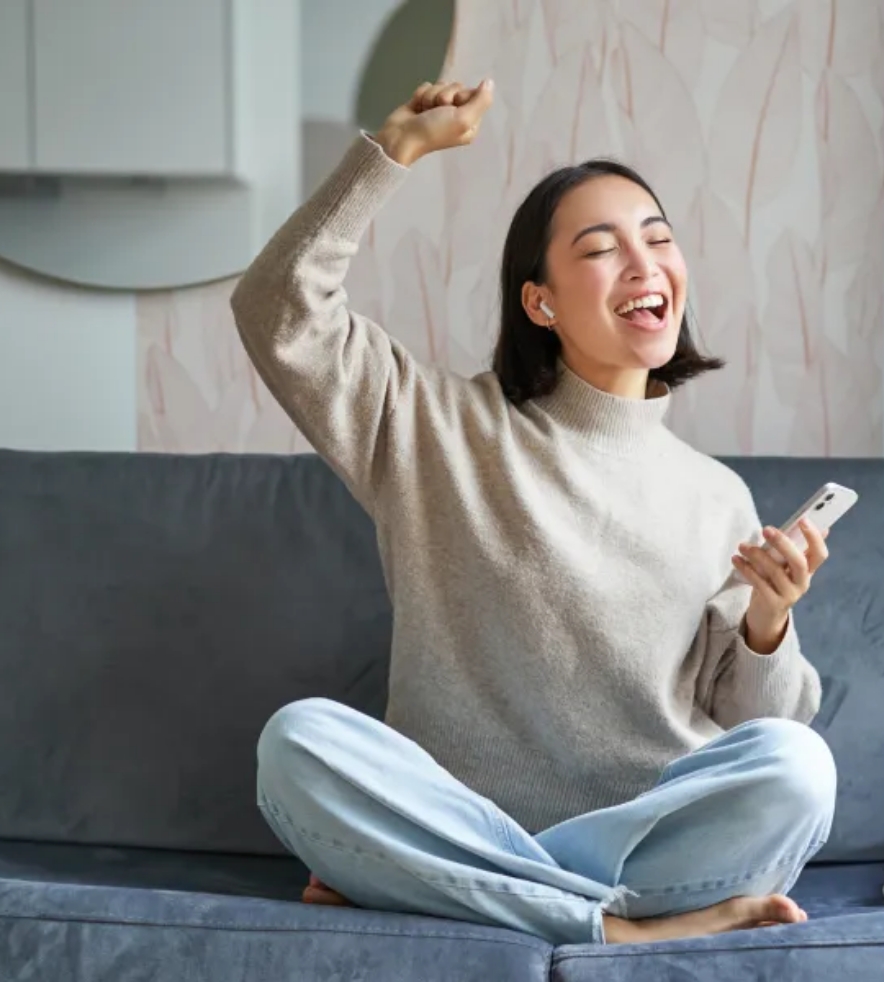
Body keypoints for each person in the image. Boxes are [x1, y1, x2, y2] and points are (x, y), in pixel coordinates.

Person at [231, 78, 837, 947]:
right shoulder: (429, 427)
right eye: (601, 249)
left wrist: (769, 623)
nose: (643, 264)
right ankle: (616, 931)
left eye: (657, 238)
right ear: (540, 302)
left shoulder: (717, 496)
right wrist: (393, 151)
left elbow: (755, 728)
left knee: (800, 766)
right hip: (470, 822)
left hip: (638, 842)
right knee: (298, 744)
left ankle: (462, 892)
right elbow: (276, 308)